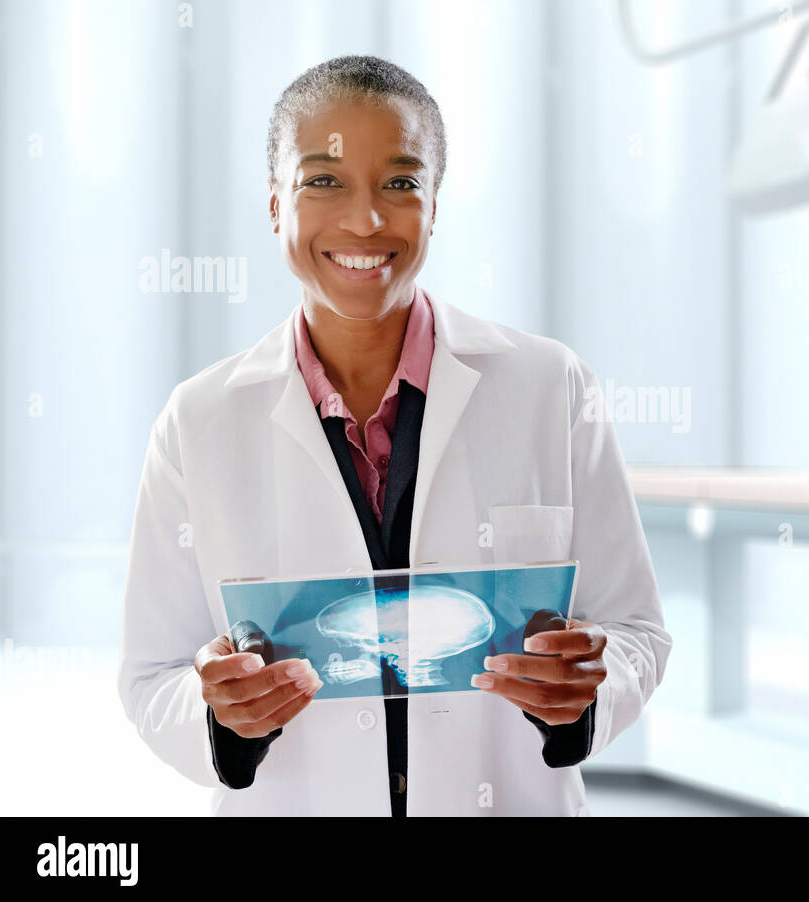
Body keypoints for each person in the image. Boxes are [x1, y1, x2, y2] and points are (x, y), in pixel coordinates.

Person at [117, 55, 671, 817]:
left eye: (402, 183)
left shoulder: (551, 386)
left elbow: (636, 628)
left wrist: (585, 693)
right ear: (276, 204)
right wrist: (220, 719)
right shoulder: (200, 419)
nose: (366, 220)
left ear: (435, 206)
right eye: (323, 181)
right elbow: (152, 677)